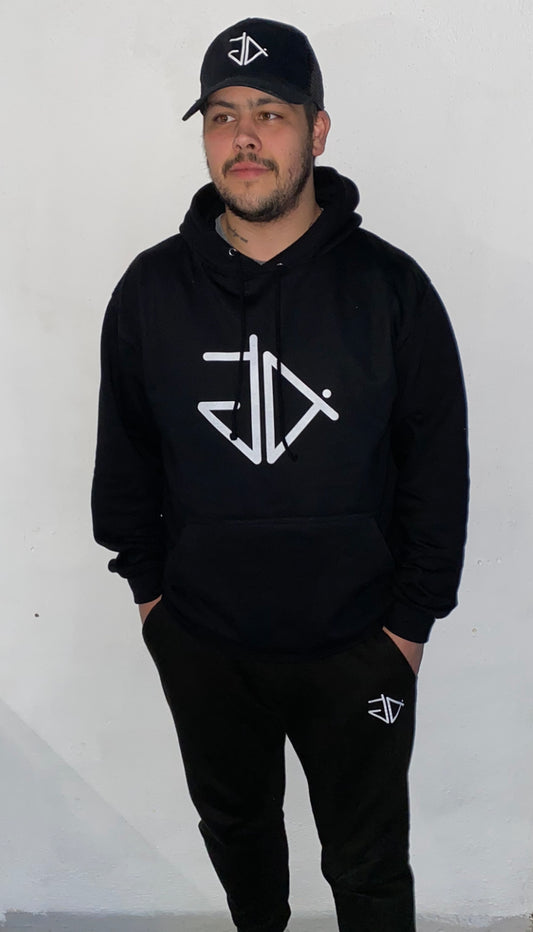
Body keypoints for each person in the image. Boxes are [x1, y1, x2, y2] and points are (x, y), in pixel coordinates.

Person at [91, 17, 469, 932]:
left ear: (317, 130)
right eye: (222, 115)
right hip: (204, 644)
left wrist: (407, 631)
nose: (244, 137)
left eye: (270, 112)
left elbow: (436, 472)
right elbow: (126, 461)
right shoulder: (150, 291)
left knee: (369, 868)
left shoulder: (390, 289)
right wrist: (154, 607)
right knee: (240, 845)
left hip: (358, 644)